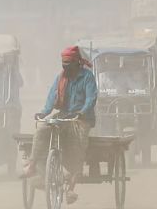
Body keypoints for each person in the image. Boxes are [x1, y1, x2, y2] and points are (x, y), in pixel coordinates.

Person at [22, 46, 97, 204]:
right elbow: (51, 97)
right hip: (63, 115)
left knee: (78, 145)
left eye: (68, 64)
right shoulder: (61, 77)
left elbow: (91, 98)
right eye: (63, 64)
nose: (65, 67)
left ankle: (70, 189)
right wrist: (44, 112)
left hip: (81, 119)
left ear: (77, 62)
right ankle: (33, 163)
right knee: (42, 129)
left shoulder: (87, 77)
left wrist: (81, 112)